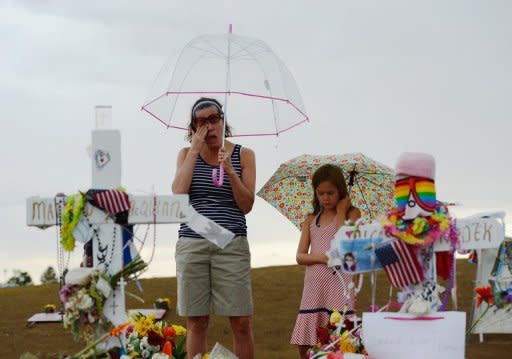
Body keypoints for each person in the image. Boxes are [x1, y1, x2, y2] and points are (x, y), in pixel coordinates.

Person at [172, 97, 256, 359]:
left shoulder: (244, 154)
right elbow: (178, 193)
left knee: (241, 322)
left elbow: (246, 205)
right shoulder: (186, 154)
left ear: (222, 121)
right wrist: (194, 152)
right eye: (200, 122)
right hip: (192, 243)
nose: (208, 126)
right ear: (193, 128)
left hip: (231, 243)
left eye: (213, 119)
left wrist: (230, 171)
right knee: (197, 322)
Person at [290, 164, 361, 359]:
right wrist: (322, 258)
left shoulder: (352, 214)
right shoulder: (311, 219)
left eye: (330, 193)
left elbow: (343, 242)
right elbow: (300, 256)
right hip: (314, 287)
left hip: (340, 285)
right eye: (320, 193)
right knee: (307, 344)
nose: (325, 198)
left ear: (341, 191)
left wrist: (341, 211)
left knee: (340, 342)